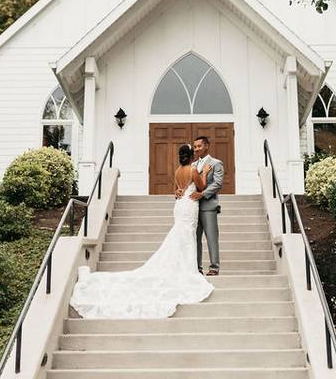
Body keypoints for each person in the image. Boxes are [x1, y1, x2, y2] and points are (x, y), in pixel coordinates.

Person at [69, 144, 214, 319]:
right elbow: (201, 186)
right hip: (189, 205)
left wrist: (179, 191)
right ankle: (188, 269)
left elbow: (176, 190)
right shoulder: (193, 171)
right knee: (187, 236)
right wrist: (204, 172)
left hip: (180, 204)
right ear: (191, 155)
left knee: (181, 234)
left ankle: (185, 265)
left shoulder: (177, 171)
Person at [186, 136, 224, 276]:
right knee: (195, 238)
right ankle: (197, 268)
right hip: (193, 207)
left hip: (208, 206)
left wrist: (203, 194)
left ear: (207, 146)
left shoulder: (216, 163)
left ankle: (214, 267)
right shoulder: (193, 165)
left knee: (211, 237)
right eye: (194, 147)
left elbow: (217, 183)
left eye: (199, 146)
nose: (196, 149)